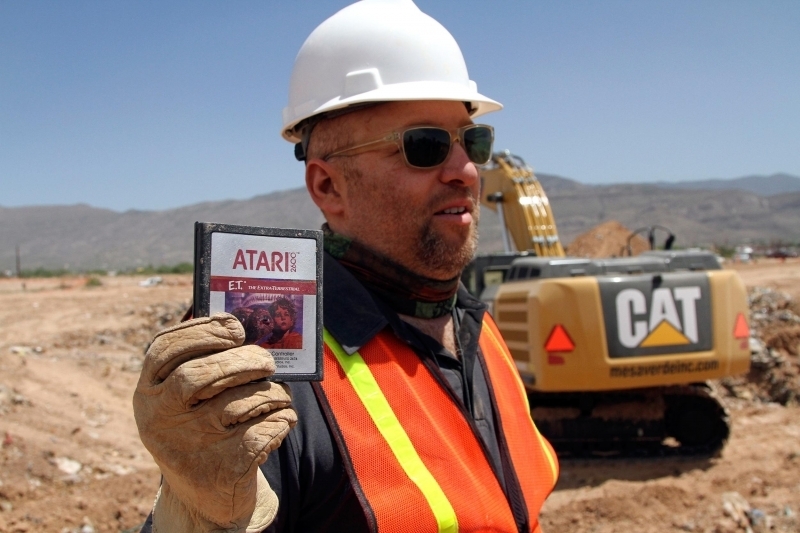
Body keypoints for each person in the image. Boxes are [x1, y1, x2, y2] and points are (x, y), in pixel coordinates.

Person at [133, 1, 559, 532]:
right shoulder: (272, 366)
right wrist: (197, 516)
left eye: (473, 140)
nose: (467, 171)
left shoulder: (477, 324)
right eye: (424, 146)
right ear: (328, 186)